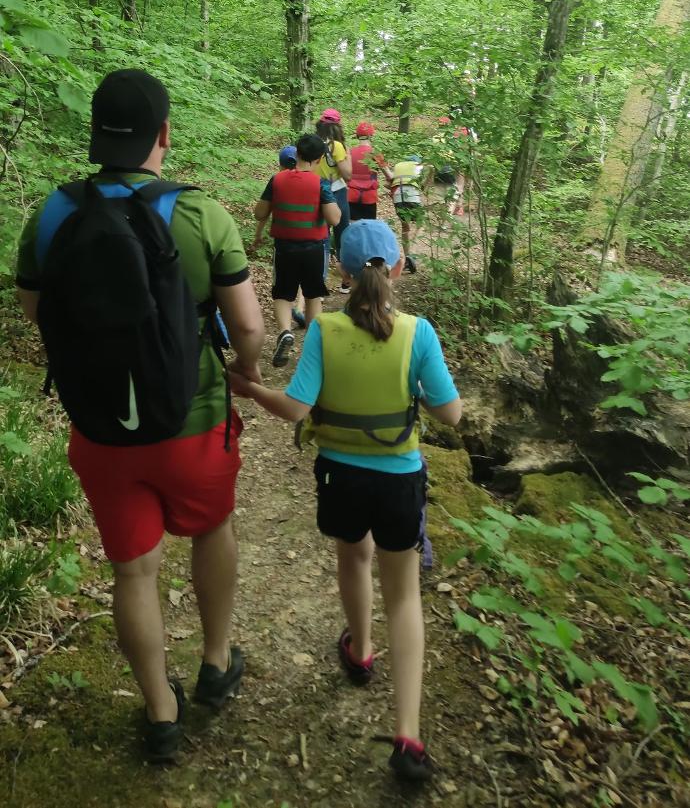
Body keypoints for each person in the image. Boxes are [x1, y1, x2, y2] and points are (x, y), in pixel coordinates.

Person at [15, 69, 265, 762]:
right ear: (164, 133)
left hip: (99, 425)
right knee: (213, 525)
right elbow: (246, 323)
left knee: (133, 571)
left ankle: (160, 712)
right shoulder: (200, 213)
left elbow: (36, 310)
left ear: (96, 131)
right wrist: (247, 371)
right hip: (193, 421)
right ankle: (215, 662)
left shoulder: (54, 213)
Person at [230, 220, 461, 783]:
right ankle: (408, 735)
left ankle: (360, 650)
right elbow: (450, 414)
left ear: (340, 270)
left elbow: (295, 410)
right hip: (399, 479)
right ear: (399, 266)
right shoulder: (417, 332)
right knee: (404, 597)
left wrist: (250, 387)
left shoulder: (324, 330)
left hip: (340, 475)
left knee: (352, 556)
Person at [253, 132, 340, 367]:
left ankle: (284, 332)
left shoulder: (277, 180)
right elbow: (333, 218)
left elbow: (260, 213)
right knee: (313, 295)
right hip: (314, 248)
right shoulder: (320, 184)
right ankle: (312, 347)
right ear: (319, 158)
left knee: (282, 293)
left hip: (284, 248)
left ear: (297, 154)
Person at [251, 145, 306, 329]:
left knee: (283, 280)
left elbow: (262, 213)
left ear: (280, 164)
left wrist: (258, 235)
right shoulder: (312, 180)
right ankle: (299, 306)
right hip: (309, 238)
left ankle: (285, 326)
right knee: (304, 274)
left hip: (284, 239)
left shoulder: (277, 181)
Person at [315, 109, 352, 292]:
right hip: (336, 192)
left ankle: (319, 281)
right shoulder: (336, 146)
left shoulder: (313, 143)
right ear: (337, 127)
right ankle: (346, 281)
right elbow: (347, 174)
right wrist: (349, 156)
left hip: (315, 193)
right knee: (342, 235)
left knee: (322, 236)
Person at [387, 154, 430, 274]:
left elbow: (390, 181)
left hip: (398, 197)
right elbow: (422, 185)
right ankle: (413, 253)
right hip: (412, 195)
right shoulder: (419, 166)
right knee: (422, 223)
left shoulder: (398, 166)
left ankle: (407, 257)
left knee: (405, 227)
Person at [347, 121, 385, 222]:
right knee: (369, 226)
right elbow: (388, 175)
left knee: (353, 227)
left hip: (352, 195)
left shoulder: (350, 152)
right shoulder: (375, 153)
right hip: (369, 197)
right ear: (371, 136)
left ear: (357, 136)